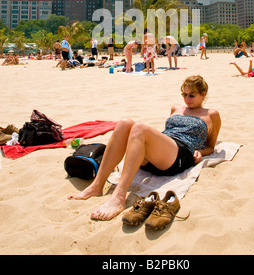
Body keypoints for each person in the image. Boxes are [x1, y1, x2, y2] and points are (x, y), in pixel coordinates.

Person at [68, 75, 221, 221]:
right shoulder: (176, 108)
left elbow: (211, 146)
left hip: (181, 152)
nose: (187, 99)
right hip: (163, 149)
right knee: (124, 123)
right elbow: (166, 133)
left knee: (139, 128)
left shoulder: (211, 114)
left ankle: (119, 196)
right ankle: (97, 186)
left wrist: (200, 152)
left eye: (192, 95)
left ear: (203, 94)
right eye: (184, 95)